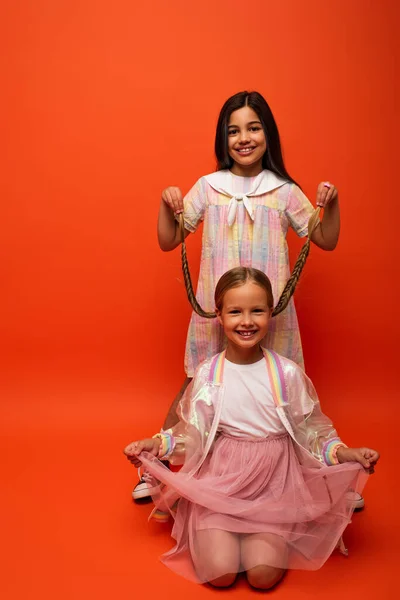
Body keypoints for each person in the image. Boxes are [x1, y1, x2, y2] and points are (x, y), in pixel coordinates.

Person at [133, 90, 341, 501]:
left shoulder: (282, 191)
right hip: (217, 312)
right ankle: (156, 470)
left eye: (253, 127)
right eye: (233, 130)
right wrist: (166, 203)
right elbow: (169, 239)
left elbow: (324, 238)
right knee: (196, 385)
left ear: (268, 134)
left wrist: (330, 206)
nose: (243, 137)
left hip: (269, 314)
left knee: (286, 392)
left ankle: (321, 476)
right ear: (222, 139)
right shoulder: (209, 188)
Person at [124, 267, 379, 590]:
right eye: (235, 312)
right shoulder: (208, 375)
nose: (247, 321)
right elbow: (191, 434)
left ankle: (262, 535)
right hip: (222, 481)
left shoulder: (286, 374)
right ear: (219, 315)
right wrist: (156, 445)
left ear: (271, 313)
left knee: (262, 576)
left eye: (257, 310)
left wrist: (345, 453)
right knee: (220, 574)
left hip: (274, 484)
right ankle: (223, 534)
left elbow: (313, 432)